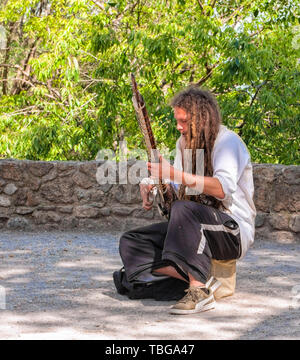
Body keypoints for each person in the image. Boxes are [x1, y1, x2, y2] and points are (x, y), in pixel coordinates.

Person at [118, 85, 256, 315]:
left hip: (232, 232)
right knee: (132, 242)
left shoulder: (227, 142)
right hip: (194, 228)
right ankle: (197, 272)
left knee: (184, 209)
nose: (179, 127)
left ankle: (198, 289)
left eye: (184, 121)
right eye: (177, 121)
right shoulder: (183, 144)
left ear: (202, 119)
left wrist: (173, 173)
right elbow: (178, 185)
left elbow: (222, 188)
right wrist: (152, 184)